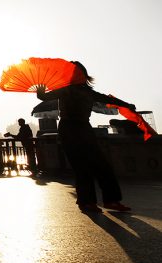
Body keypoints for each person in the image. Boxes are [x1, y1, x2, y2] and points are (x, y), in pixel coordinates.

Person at [36, 61, 135, 213]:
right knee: (81, 167)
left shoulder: (88, 92)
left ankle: (111, 200)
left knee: (103, 165)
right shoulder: (65, 90)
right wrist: (40, 92)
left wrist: (126, 104)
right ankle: (86, 202)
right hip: (69, 129)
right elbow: (44, 97)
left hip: (84, 128)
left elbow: (109, 99)